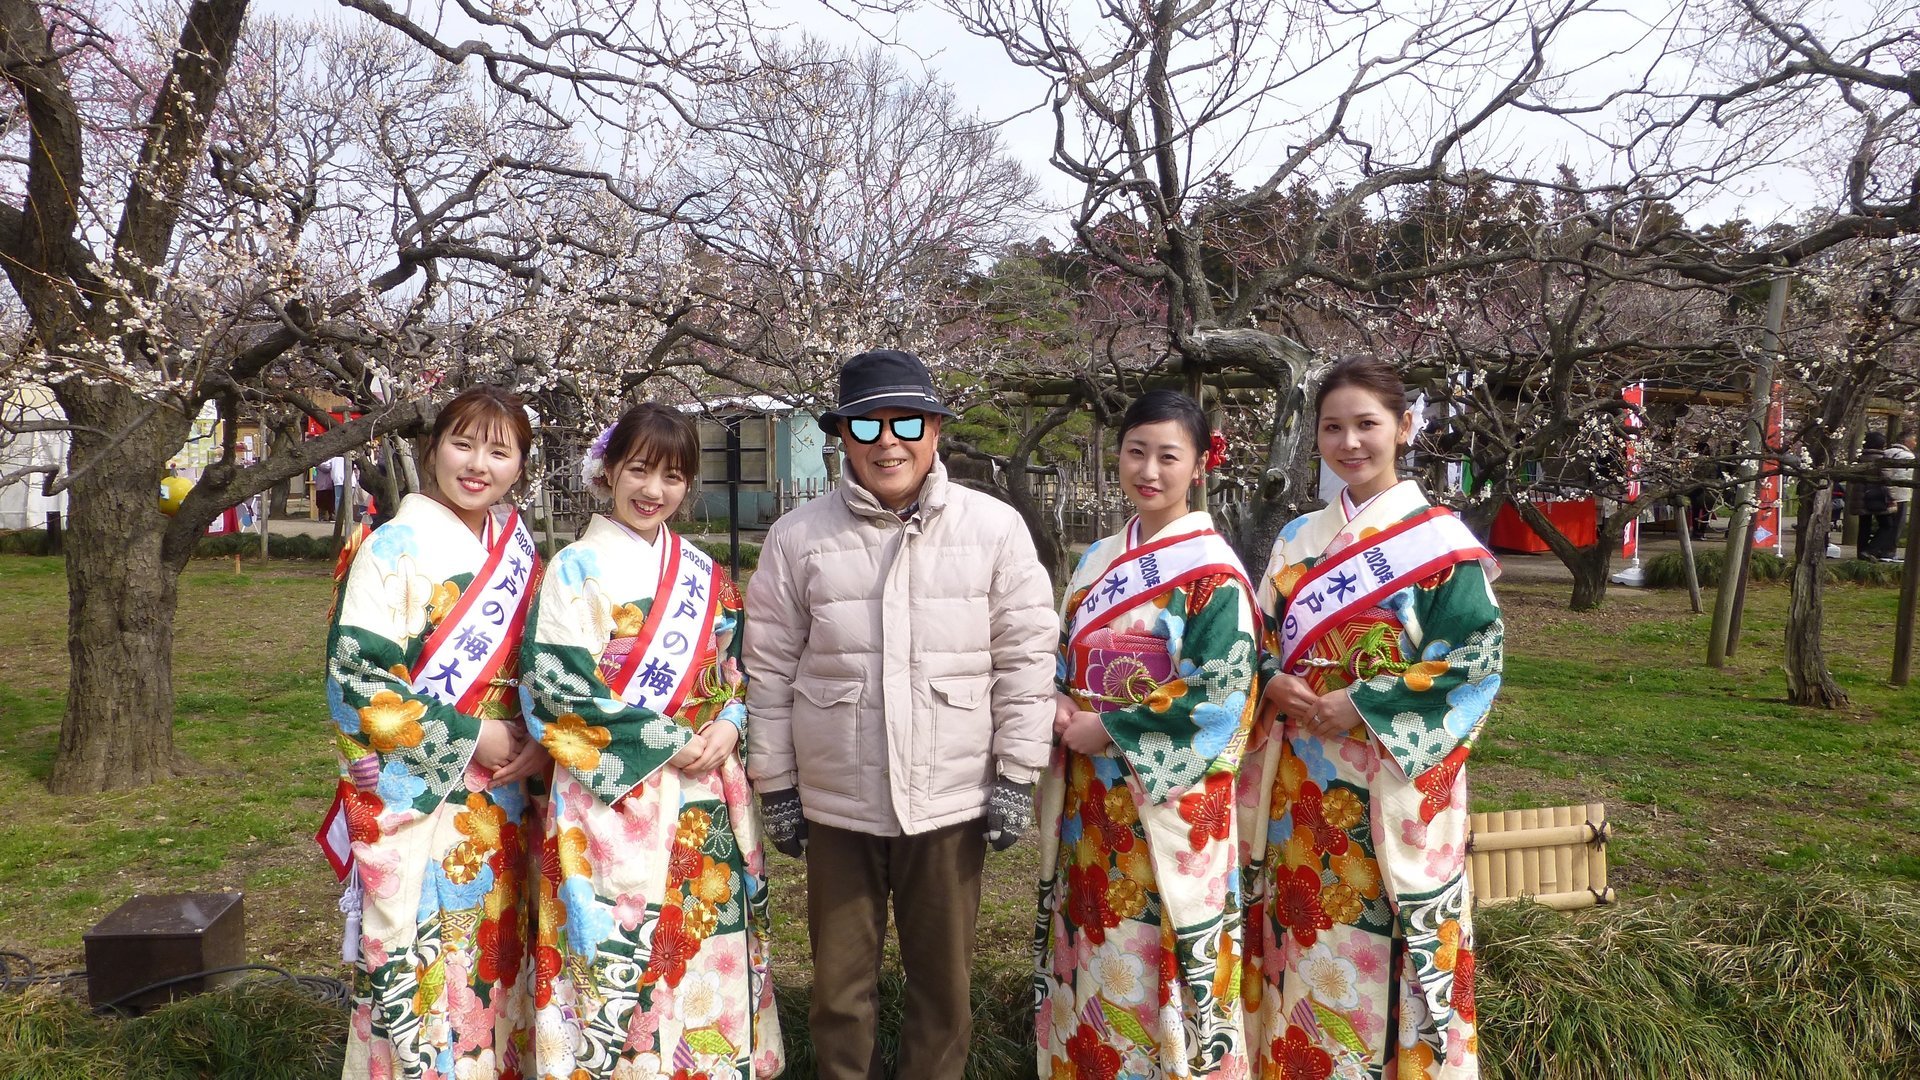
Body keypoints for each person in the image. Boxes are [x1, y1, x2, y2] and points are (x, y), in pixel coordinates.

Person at [743, 348, 1057, 1080]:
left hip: (950, 799)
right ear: (842, 437)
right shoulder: (797, 537)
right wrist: (777, 786)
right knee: (838, 991)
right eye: (865, 425)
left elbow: (1026, 657)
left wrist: (1016, 771)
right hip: (837, 801)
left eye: (907, 421)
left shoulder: (996, 528)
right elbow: (768, 669)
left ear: (936, 430)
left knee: (943, 987)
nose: (889, 441)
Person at [1243, 356, 1504, 1080]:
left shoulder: (1439, 544)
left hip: (1395, 784)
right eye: (1333, 428)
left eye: (1367, 424)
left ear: (1405, 426)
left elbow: (1474, 662)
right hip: (1303, 792)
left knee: (1399, 950)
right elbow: (1256, 639)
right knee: (1307, 942)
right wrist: (1272, 682)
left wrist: (1360, 702)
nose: (1350, 442)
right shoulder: (1299, 538)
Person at [517, 403, 784, 1079]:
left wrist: (731, 722)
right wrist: (666, 738)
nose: (653, 490)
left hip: (702, 789)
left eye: (672, 476)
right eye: (639, 469)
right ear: (607, 472)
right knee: (613, 951)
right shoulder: (575, 568)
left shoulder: (704, 573)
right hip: (615, 796)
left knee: (701, 952)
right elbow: (557, 686)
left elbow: (739, 668)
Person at [325, 385, 548, 1080]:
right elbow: (355, 681)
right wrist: (470, 733)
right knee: (425, 970)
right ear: (432, 449)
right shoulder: (390, 545)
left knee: (499, 966)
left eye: (499, 450)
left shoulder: (518, 548)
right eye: (463, 443)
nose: (478, 464)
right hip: (425, 793)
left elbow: (546, 659)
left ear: (519, 467)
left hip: (509, 795)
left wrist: (542, 737)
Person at [1034, 391, 1257, 1078]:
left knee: (1160, 946)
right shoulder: (1101, 555)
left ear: (1199, 466)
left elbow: (1221, 693)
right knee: (1097, 939)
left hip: (1165, 792)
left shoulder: (1214, 572)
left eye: (1169, 456)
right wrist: (1058, 703)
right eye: (1137, 452)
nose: (1149, 470)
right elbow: (1066, 648)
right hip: (1090, 793)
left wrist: (1114, 727)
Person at [1856, 432, 1895, 562]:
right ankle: (1870, 550)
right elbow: (1887, 479)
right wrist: (1892, 497)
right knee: (1887, 525)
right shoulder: (1881, 459)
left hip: (1861, 495)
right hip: (1877, 496)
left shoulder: (1859, 457)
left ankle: (1861, 552)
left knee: (1864, 525)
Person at [1874, 431, 1912, 562]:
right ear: (1907, 441)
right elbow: (1906, 476)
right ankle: (1889, 551)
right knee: (1897, 525)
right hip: (1900, 494)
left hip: (1885, 492)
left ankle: (1881, 550)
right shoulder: (1907, 456)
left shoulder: (1887, 452)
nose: (1915, 443)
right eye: (1914, 440)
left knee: (1888, 523)